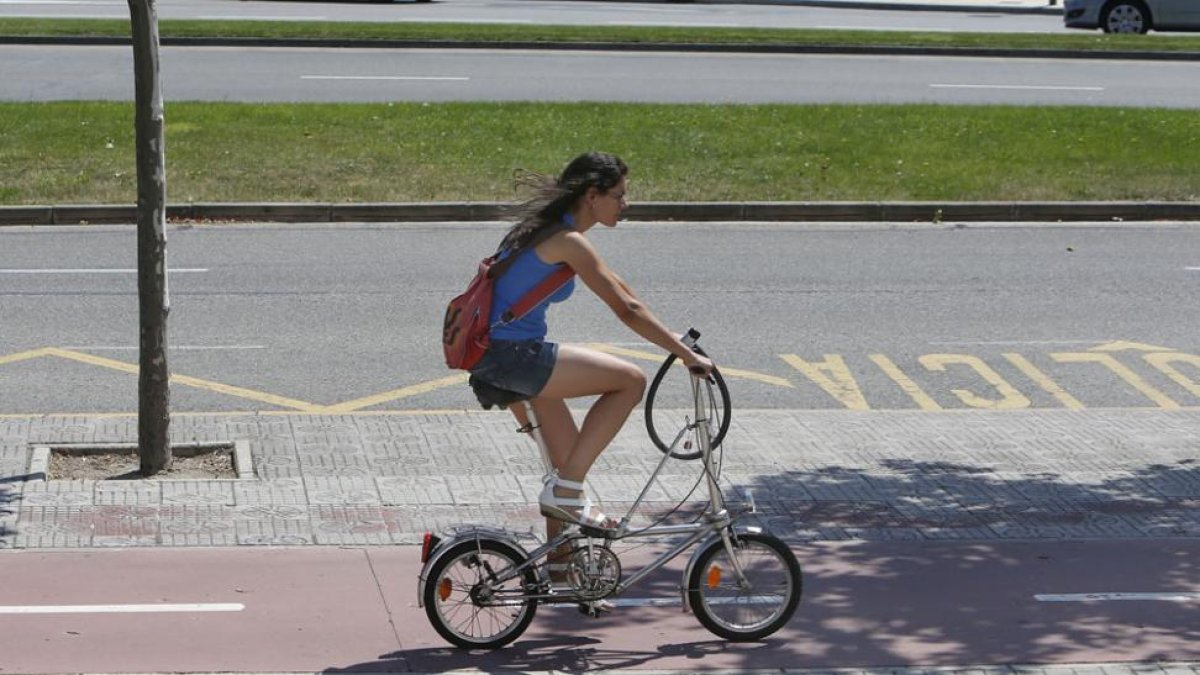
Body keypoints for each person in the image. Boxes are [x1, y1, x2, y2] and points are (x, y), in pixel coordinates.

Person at [467, 151, 714, 567]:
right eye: (619, 195)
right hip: (514, 358)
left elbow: (624, 291)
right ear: (592, 195)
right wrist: (685, 355)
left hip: (495, 360)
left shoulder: (549, 232)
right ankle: (567, 495)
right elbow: (626, 311)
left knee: (566, 467)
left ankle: (562, 570)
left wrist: (671, 337)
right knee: (630, 381)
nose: (625, 204)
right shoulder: (567, 242)